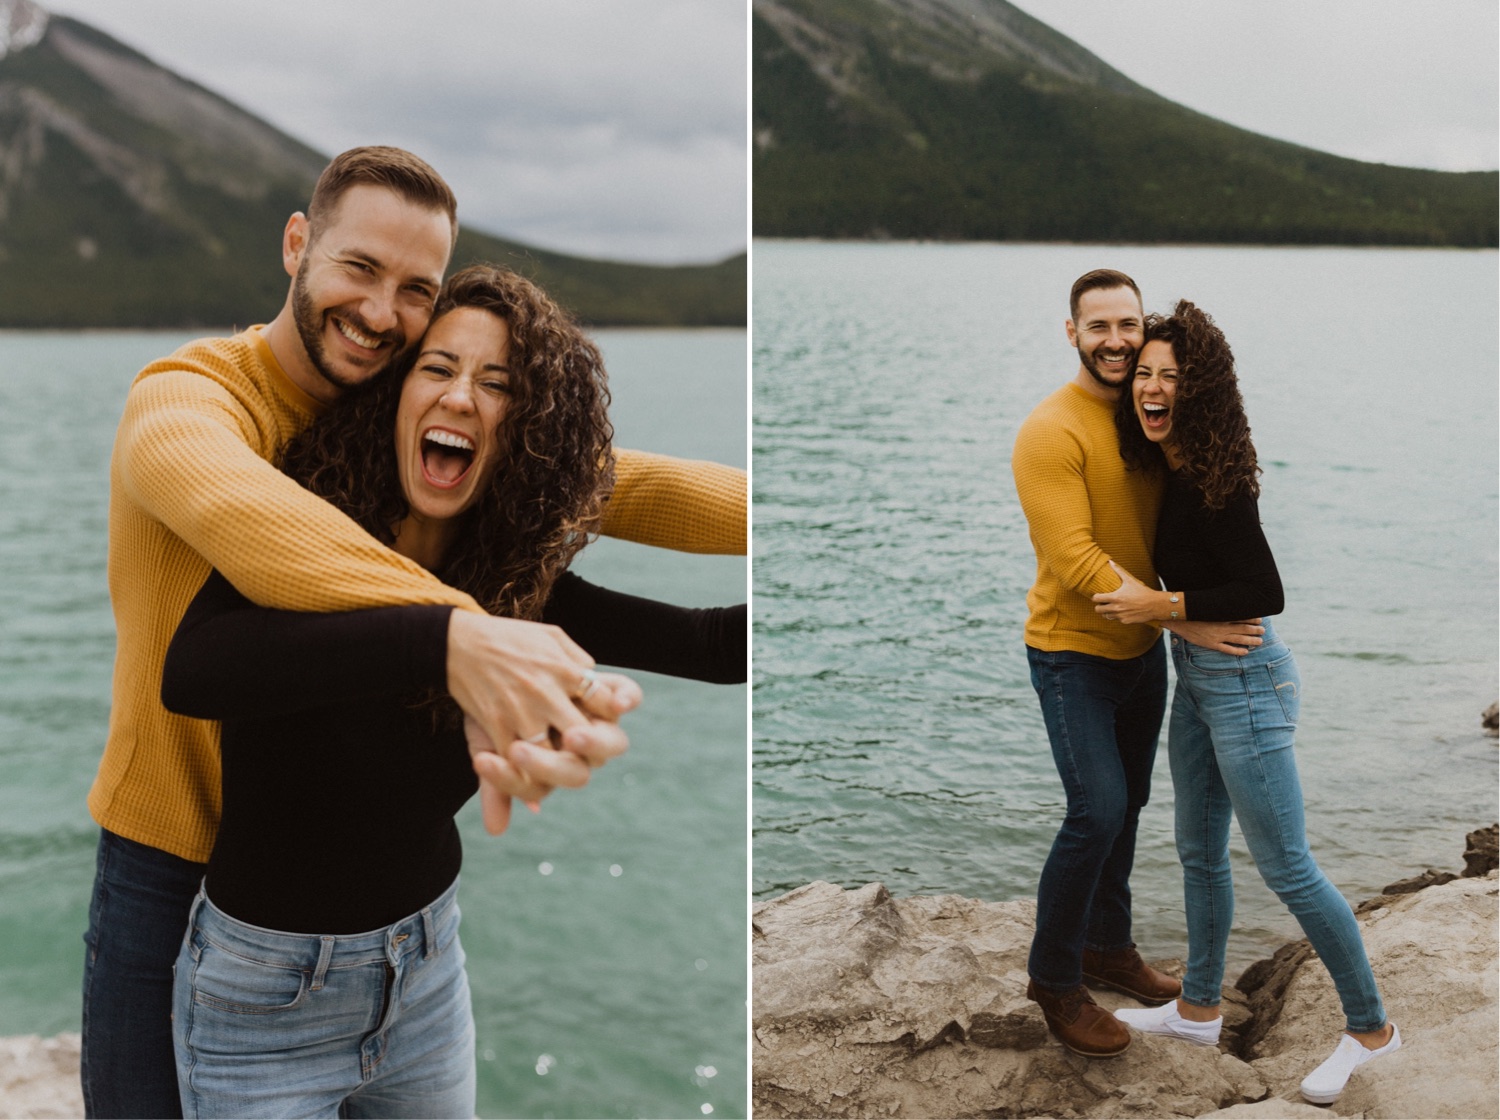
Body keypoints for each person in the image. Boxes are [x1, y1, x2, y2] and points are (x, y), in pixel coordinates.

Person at [82, 146, 747, 1119]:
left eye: (415, 290)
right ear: (297, 245)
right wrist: (474, 639)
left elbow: (625, 482)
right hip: (170, 860)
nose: (382, 312)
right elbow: (261, 534)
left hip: (389, 927)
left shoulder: (394, 411)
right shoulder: (185, 400)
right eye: (359, 268)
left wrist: (792, 515)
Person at [1093, 300, 1399, 1104]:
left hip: (1248, 684)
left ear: (1201, 393)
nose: (1153, 390)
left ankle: (1372, 1030)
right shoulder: (1169, 460)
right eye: (1145, 376)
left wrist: (1161, 608)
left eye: (1171, 379)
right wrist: (1184, 622)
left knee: (1288, 868)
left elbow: (1264, 591)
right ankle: (1197, 1008)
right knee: (1196, 850)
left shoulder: (1215, 481)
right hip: (1199, 680)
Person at [1010, 270, 1265, 1058]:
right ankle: (1054, 980)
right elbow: (1077, 555)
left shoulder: (1149, 418)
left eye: (1129, 324)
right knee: (1096, 812)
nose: (1118, 342)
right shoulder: (1050, 431)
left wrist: (1177, 616)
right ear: (1073, 333)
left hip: (1140, 654)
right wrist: (1176, 615)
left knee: (1131, 805)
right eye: (1100, 328)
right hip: (1070, 652)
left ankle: (1107, 946)